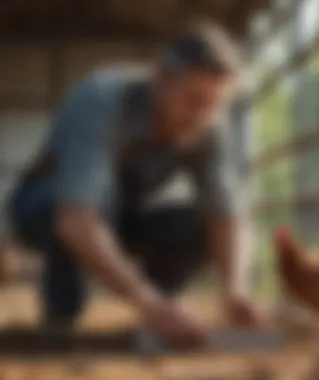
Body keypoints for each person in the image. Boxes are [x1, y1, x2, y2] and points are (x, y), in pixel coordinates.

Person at [10, 23, 267, 346]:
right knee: (86, 202)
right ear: (161, 80)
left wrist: (236, 288)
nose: (202, 116)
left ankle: (160, 316)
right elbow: (76, 221)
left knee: (196, 226)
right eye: (193, 99)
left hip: (118, 216)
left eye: (215, 104)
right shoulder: (101, 98)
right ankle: (62, 319)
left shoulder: (209, 125)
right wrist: (147, 300)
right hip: (47, 206)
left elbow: (227, 215)